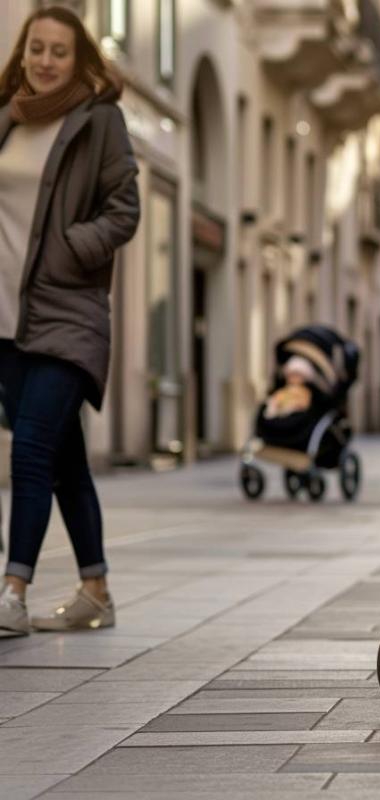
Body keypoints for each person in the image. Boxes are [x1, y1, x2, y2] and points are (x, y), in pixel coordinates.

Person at [0, 6, 140, 637]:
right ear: (22, 52)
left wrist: (69, 247)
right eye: (37, 48)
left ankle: (12, 591)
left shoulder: (98, 120)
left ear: (78, 57)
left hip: (69, 311)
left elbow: (125, 209)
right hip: (6, 316)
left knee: (29, 451)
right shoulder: (5, 117)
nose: (46, 60)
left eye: (59, 50)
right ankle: (96, 590)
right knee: (63, 458)